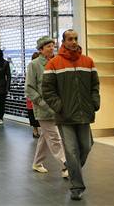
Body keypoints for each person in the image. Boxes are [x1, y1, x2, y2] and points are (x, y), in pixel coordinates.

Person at [42, 29, 100, 201]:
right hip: (65, 116)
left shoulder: (88, 62)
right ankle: (77, 186)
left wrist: (95, 102)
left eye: (75, 39)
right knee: (72, 150)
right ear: (63, 41)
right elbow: (47, 90)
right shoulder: (54, 63)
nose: (73, 42)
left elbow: (95, 85)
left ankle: (72, 168)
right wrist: (60, 106)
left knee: (87, 146)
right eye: (70, 39)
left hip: (84, 114)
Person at [25, 36, 68, 178]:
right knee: (55, 137)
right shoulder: (34, 65)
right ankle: (66, 165)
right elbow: (29, 89)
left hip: (57, 107)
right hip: (43, 109)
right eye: (48, 46)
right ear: (41, 49)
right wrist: (43, 104)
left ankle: (37, 163)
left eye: (53, 45)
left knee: (45, 136)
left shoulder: (56, 63)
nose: (52, 48)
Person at [27, 52, 41, 138]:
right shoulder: (31, 68)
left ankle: (36, 131)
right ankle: (35, 131)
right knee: (33, 114)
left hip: (35, 98)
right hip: (33, 98)